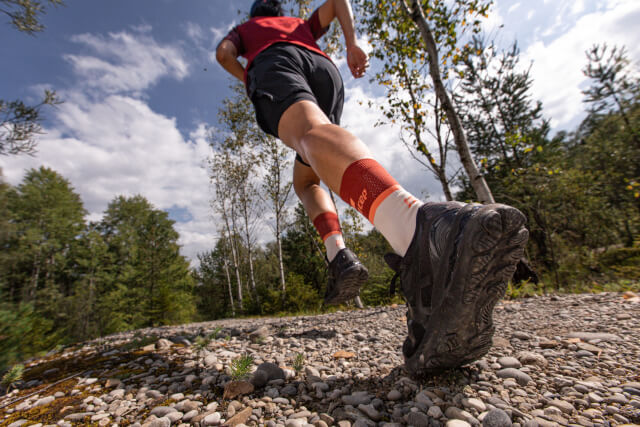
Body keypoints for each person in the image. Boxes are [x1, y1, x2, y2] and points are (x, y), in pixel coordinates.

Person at [216, 0, 529, 374]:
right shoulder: (298, 23)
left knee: (309, 136)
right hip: (324, 72)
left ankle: (421, 228)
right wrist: (351, 43)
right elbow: (335, 2)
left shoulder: (249, 32)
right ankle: (340, 254)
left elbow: (223, 54)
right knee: (307, 175)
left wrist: (249, 76)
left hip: (275, 65)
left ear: (254, 14)